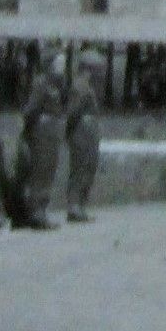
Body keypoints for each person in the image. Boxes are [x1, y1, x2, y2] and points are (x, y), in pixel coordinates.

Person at [18, 60, 66, 230]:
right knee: (41, 170)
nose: (62, 68)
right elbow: (31, 109)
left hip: (51, 130)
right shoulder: (41, 83)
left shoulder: (56, 85)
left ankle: (42, 210)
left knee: (49, 170)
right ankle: (37, 213)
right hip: (43, 130)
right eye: (59, 64)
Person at [65, 51, 105, 222]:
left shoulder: (87, 87)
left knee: (88, 166)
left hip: (88, 129)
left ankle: (80, 205)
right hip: (82, 130)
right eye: (98, 70)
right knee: (80, 167)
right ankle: (74, 206)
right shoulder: (80, 86)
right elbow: (73, 112)